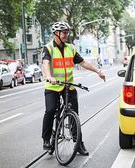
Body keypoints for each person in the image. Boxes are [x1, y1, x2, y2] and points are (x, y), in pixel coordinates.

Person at [41, 21, 106, 156]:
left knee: (74, 114)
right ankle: (46, 139)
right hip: (52, 86)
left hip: (68, 86)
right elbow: (46, 63)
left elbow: (83, 62)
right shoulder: (48, 48)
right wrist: (48, 76)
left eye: (67, 32)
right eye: (64, 32)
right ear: (56, 34)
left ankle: (78, 143)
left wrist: (98, 71)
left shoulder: (71, 48)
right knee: (50, 110)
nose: (66, 35)